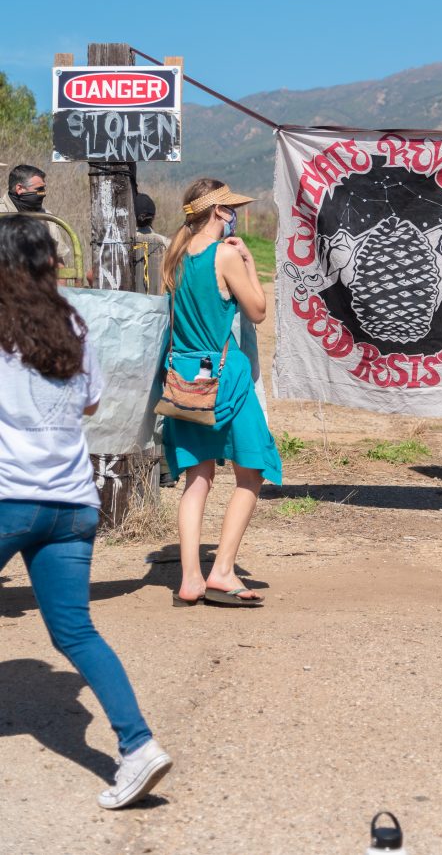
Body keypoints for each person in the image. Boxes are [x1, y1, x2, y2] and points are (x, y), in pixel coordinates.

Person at [0, 215, 171, 809]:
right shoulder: (71, 321)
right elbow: (93, 401)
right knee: (77, 632)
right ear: (50, 262)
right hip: (73, 503)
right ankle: (138, 745)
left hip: (8, 499)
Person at [161, 178, 282, 608]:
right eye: (229, 208)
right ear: (218, 212)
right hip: (225, 378)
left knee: (198, 478)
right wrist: (248, 260)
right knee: (253, 470)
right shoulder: (226, 254)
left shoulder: (174, 255)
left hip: (183, 379)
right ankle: (223, 570)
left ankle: (190, 578)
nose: (233, 213)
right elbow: (259, 311)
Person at [0, 164, 72, 267]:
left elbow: (58, 262)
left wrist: (59, 283)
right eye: (39, 189)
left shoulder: (47, 217)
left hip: (38, 280)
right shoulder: (2, 212)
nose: (43, 194)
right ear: (19, 188)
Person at [133, 191, 170, 296]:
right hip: (159, 307)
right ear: (153, 216)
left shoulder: (123, 244)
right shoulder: (166, 243)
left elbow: (91, 276)